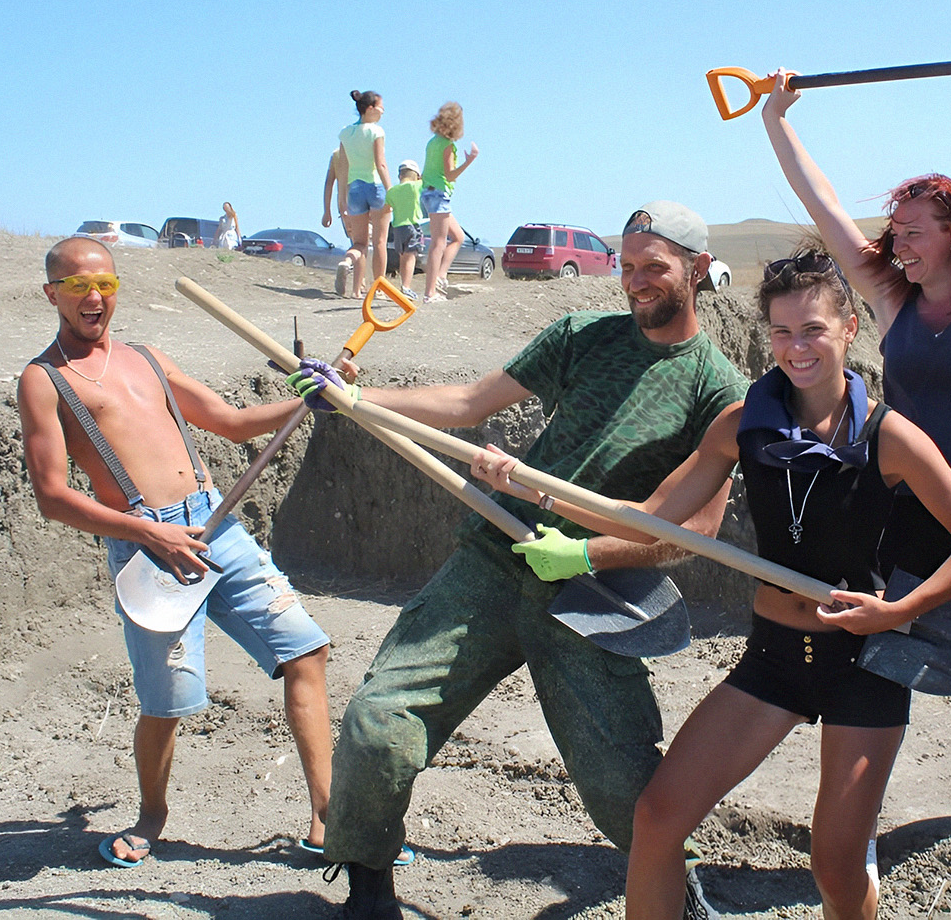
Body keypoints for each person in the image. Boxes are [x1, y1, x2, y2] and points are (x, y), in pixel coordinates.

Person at [471, 249, 951, 920]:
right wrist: (527, 484)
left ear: (848, 330)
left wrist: (901, 607)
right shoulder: (743, 425)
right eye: (781, 332)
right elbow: (646, 519)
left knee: (837, 868)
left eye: (812, 329)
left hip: (865, 664)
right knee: (658, 818)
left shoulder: (886, 436)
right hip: (774, 659)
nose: (796, 347)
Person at [286, 202, 746, 919]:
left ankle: (674, 889)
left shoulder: (717, 388)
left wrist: (585, 552)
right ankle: (368, 881)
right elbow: (470, 402)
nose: (635, 282)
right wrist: (353, 399)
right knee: (379, 724)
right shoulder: (582, 337)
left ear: (695, 270)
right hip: (499, 557)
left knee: (624, 787)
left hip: (594, 594)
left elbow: (696, 530)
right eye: (625, 266)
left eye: (653, 267)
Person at [760, 35, 951, 843]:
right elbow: (825, 209)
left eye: (915, 229)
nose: (899, 241)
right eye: (895, 229)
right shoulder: (892, 301)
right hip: (905, 496)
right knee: (879, 628)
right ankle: (858, 793)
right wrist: (776, 122)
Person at [16, 236, 333, 866]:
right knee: (169, 702)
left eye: (104, 284)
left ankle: (329, 817)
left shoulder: (148, 359)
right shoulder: (43, 380)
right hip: (147, 548)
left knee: (306, 650)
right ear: (52, 293)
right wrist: (148, 532)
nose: (94, 298)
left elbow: (232, 420)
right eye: (78, 286)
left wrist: (308, 397)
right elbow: (52, 496)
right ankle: (152, 815)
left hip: (216, 527)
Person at [337, 90, 395, 298]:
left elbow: (342, 167)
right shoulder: (376, 131)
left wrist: (343, 197)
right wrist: (392, 191)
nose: (382, 111)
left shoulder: (345, 133)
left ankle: (347, 264)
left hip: (354, 188)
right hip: (375, 186)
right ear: (370, 108)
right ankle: (378, 287)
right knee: (380, 241)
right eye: (380, 107)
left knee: (359, 243)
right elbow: (380, 163)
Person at [420, 101, 477, 303]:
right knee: (438, 243)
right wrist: (469, 162)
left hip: (427, 193)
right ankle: (430, 292)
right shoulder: (447, 145)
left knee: (458, 237)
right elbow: (450, 175)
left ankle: (440, 277)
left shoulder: (433, 141)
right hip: (438, 195)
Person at [385, 160, 424, 299]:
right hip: (412, 225)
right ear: (416, 176)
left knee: (403, 257)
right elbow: (428, 179)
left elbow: (386, 208)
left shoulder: (392, 191)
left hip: (397, 227)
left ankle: (404, 284)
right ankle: (406, 287)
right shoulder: (416, 186)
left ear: (400, 175)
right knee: (411, 256)